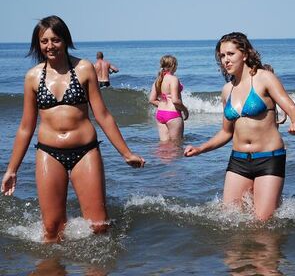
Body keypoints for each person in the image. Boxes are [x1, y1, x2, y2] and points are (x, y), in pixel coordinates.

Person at [1, 16, 145, 243]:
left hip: (85, 152)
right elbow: (26, 127)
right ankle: (53, 262)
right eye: (44, 41)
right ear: (38, 44)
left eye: (55, 40)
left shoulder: (84, 69)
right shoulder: (32, 77)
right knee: (52, 229)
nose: (50, 46)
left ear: (65, 40)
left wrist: (126, 153)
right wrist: (12, 169)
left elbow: (103, 115)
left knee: (99, 226)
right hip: (49, 153)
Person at [184, 32, 295, 221]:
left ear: (245, 54)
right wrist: (200, 149)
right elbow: (226, 132)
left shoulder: (264, 78)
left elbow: (292, 109)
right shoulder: (227, 90)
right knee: (229, 219)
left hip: (269, 158)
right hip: (238, 161)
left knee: (263, 224)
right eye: (222, 56)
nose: (225, 60)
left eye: (230, 54)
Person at [149, 55, 189, 144]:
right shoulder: (173, 79)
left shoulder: (158, 80)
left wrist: (163, 104)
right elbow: (175, 100)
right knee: (176, 144)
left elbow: (151, 99)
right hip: (173, 114)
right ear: (173, 65)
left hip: (160, 114)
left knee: (164, 145)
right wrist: (185, 110)